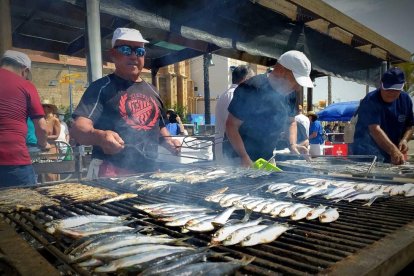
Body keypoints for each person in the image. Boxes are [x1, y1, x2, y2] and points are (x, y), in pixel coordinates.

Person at [71, 27, 181, 178]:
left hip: (150, 171)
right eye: (126, 49)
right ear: (113, 54)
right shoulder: (101, 87)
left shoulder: (153, 90)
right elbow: (78, 129)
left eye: (139, 51)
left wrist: (169, 141)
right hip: (112, 172)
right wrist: (100, 137)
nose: (134, 56)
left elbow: (160, 126)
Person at [225, 50, 313, 167]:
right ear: (281, 71)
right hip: (238, 157)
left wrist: (292, 145)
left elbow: (291, 122)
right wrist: (244, 156)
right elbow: (231, 125)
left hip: (267, 158)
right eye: (296, 81)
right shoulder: (251, 88)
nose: (298, 88)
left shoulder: (290, 94)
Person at [0, 50, 50, 187]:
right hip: (14, 161)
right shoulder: (26, 85)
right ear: (25, 70)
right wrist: (44, 144)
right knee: (28, 205)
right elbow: (41, 127)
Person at [353, 67, 414, 165]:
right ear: (381, 84)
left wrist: (405, 140)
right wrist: (393, 150)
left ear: (402, 86)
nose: (391, 93)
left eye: (396, 89)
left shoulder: (405, 100)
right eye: (388, 89)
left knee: (385, 179)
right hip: (365, 153)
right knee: (367, 179)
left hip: (388, 153)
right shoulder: (371, 100)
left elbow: (410, 126)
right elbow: (374, 129)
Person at [215, 65, 254, 162]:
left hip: (228, 148)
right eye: (252, 79)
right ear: (245, 79)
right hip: (231, 150)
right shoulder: (234, 95)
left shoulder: (228, 94)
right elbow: (232, 125)